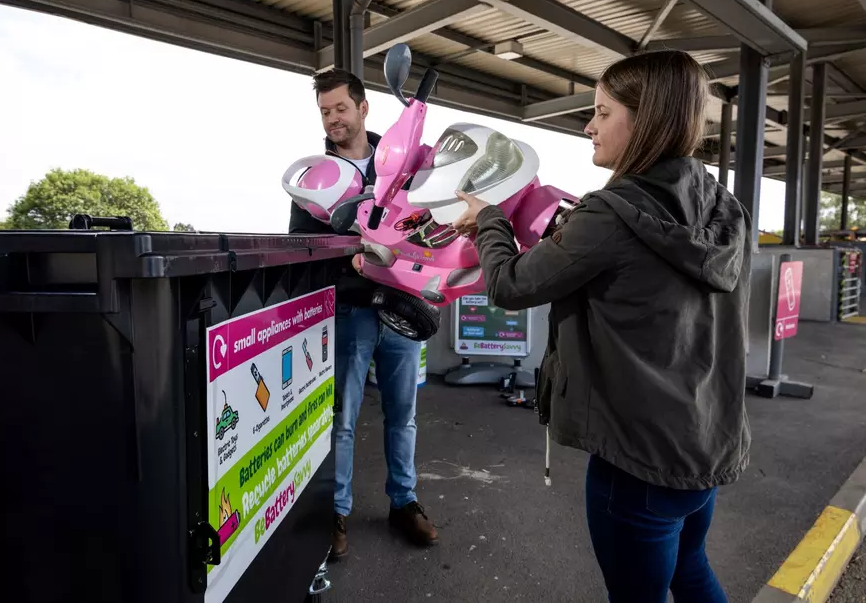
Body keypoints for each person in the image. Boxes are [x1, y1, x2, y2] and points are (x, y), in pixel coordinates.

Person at [451, 50, 751, 603]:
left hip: (637, 456)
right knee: (690, 570)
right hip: (702, 439)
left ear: (647, 119)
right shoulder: (722, 207)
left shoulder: (610, 214)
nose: (589, 126)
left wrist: (488, 219)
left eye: (602, 112)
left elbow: (512, 285)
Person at [288, 68, 438, 561]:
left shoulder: (405, 161)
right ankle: (336, 511)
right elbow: (302, 251)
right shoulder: (315, 177)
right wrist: (359, 273)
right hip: (353, 311)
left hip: (405, 308)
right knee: (342, 419)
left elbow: (428, 223)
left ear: (362, 108)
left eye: (340, 108)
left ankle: (405, 502)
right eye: (325, 111)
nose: (332, 119)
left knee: (404, 414)